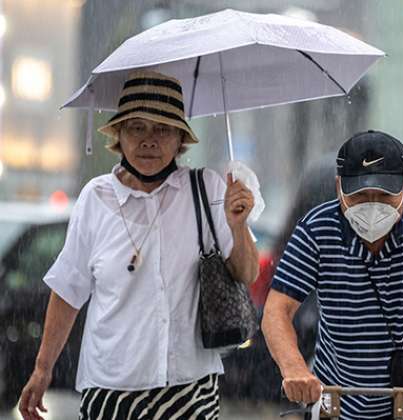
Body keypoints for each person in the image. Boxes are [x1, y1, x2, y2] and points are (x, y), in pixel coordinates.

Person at [17, 70, 260, 420]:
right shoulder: (95, 197)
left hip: (190, 389)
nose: (149, 140)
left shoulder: (207, 189)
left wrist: (238, 228)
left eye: (162, 129)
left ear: (180, 139)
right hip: (111, 390)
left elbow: (247, 273)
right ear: (119, 135)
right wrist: (43, 368)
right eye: (137, 127)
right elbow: (68, 289)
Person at [262, 130, 403, 420]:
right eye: (360, 195)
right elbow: (277, 309)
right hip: (336, 397)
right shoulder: (316, 228)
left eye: (385, 195)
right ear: (339, 188)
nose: (373, 205)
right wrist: (294, 368)